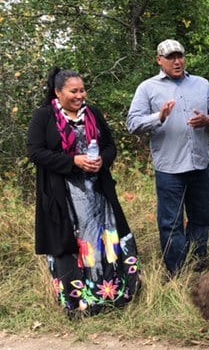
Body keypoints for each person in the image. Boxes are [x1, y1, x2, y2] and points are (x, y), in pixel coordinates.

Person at [27, 68, 140, 318]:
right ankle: (79, 304)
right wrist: (73, 161)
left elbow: (110, 146)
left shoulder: (93, 114)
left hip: (98, 195)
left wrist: (102, 160)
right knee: (74, 245)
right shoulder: (44, 117)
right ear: (58, 92)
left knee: (104, 241)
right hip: (62, 196)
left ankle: (114, 295)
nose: (80, 95)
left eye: (82, 89)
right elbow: (35, 152)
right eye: (74, 91)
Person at [127, 39, 209, 276]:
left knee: (201, 218)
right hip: (170, 169)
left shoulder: (201, 84)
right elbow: (132, 123)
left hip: (199, 165)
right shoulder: (147, 88)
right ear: (159, 60)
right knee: (171, 223)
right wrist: (158, 117)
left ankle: (197, 265)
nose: (177, 61)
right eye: (170, 57)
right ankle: (178, 272)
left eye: (180, 55)